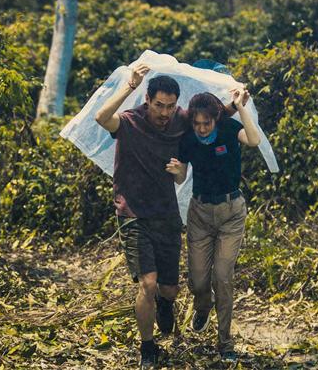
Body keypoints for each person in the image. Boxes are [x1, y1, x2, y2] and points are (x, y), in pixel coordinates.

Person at [94, 65, 237, 369]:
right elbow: (101, 118)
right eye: (159, 105)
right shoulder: (130, 122)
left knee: (169, 288)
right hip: (132, 212)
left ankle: (165, 303)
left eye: (171, 106)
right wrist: (127, 87)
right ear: (147, 100)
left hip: (166, 214)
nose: (165, 112)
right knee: (148, 282)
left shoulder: (180, 120)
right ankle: (148, 349)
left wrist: (237, 103)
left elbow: (211, 114)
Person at [165, 88, 260, 363]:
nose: (202, 129)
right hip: (200, 213)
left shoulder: (230, 128)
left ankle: (225, 342)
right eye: (197, 124)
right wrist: (176, 171)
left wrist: (241, 106)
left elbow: (253, 140)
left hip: (231, 211)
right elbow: (181, 176)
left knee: (223, 276)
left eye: (207, 123)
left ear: (216, 119)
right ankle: (202, 307)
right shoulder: (188, 140)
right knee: (197, 278)